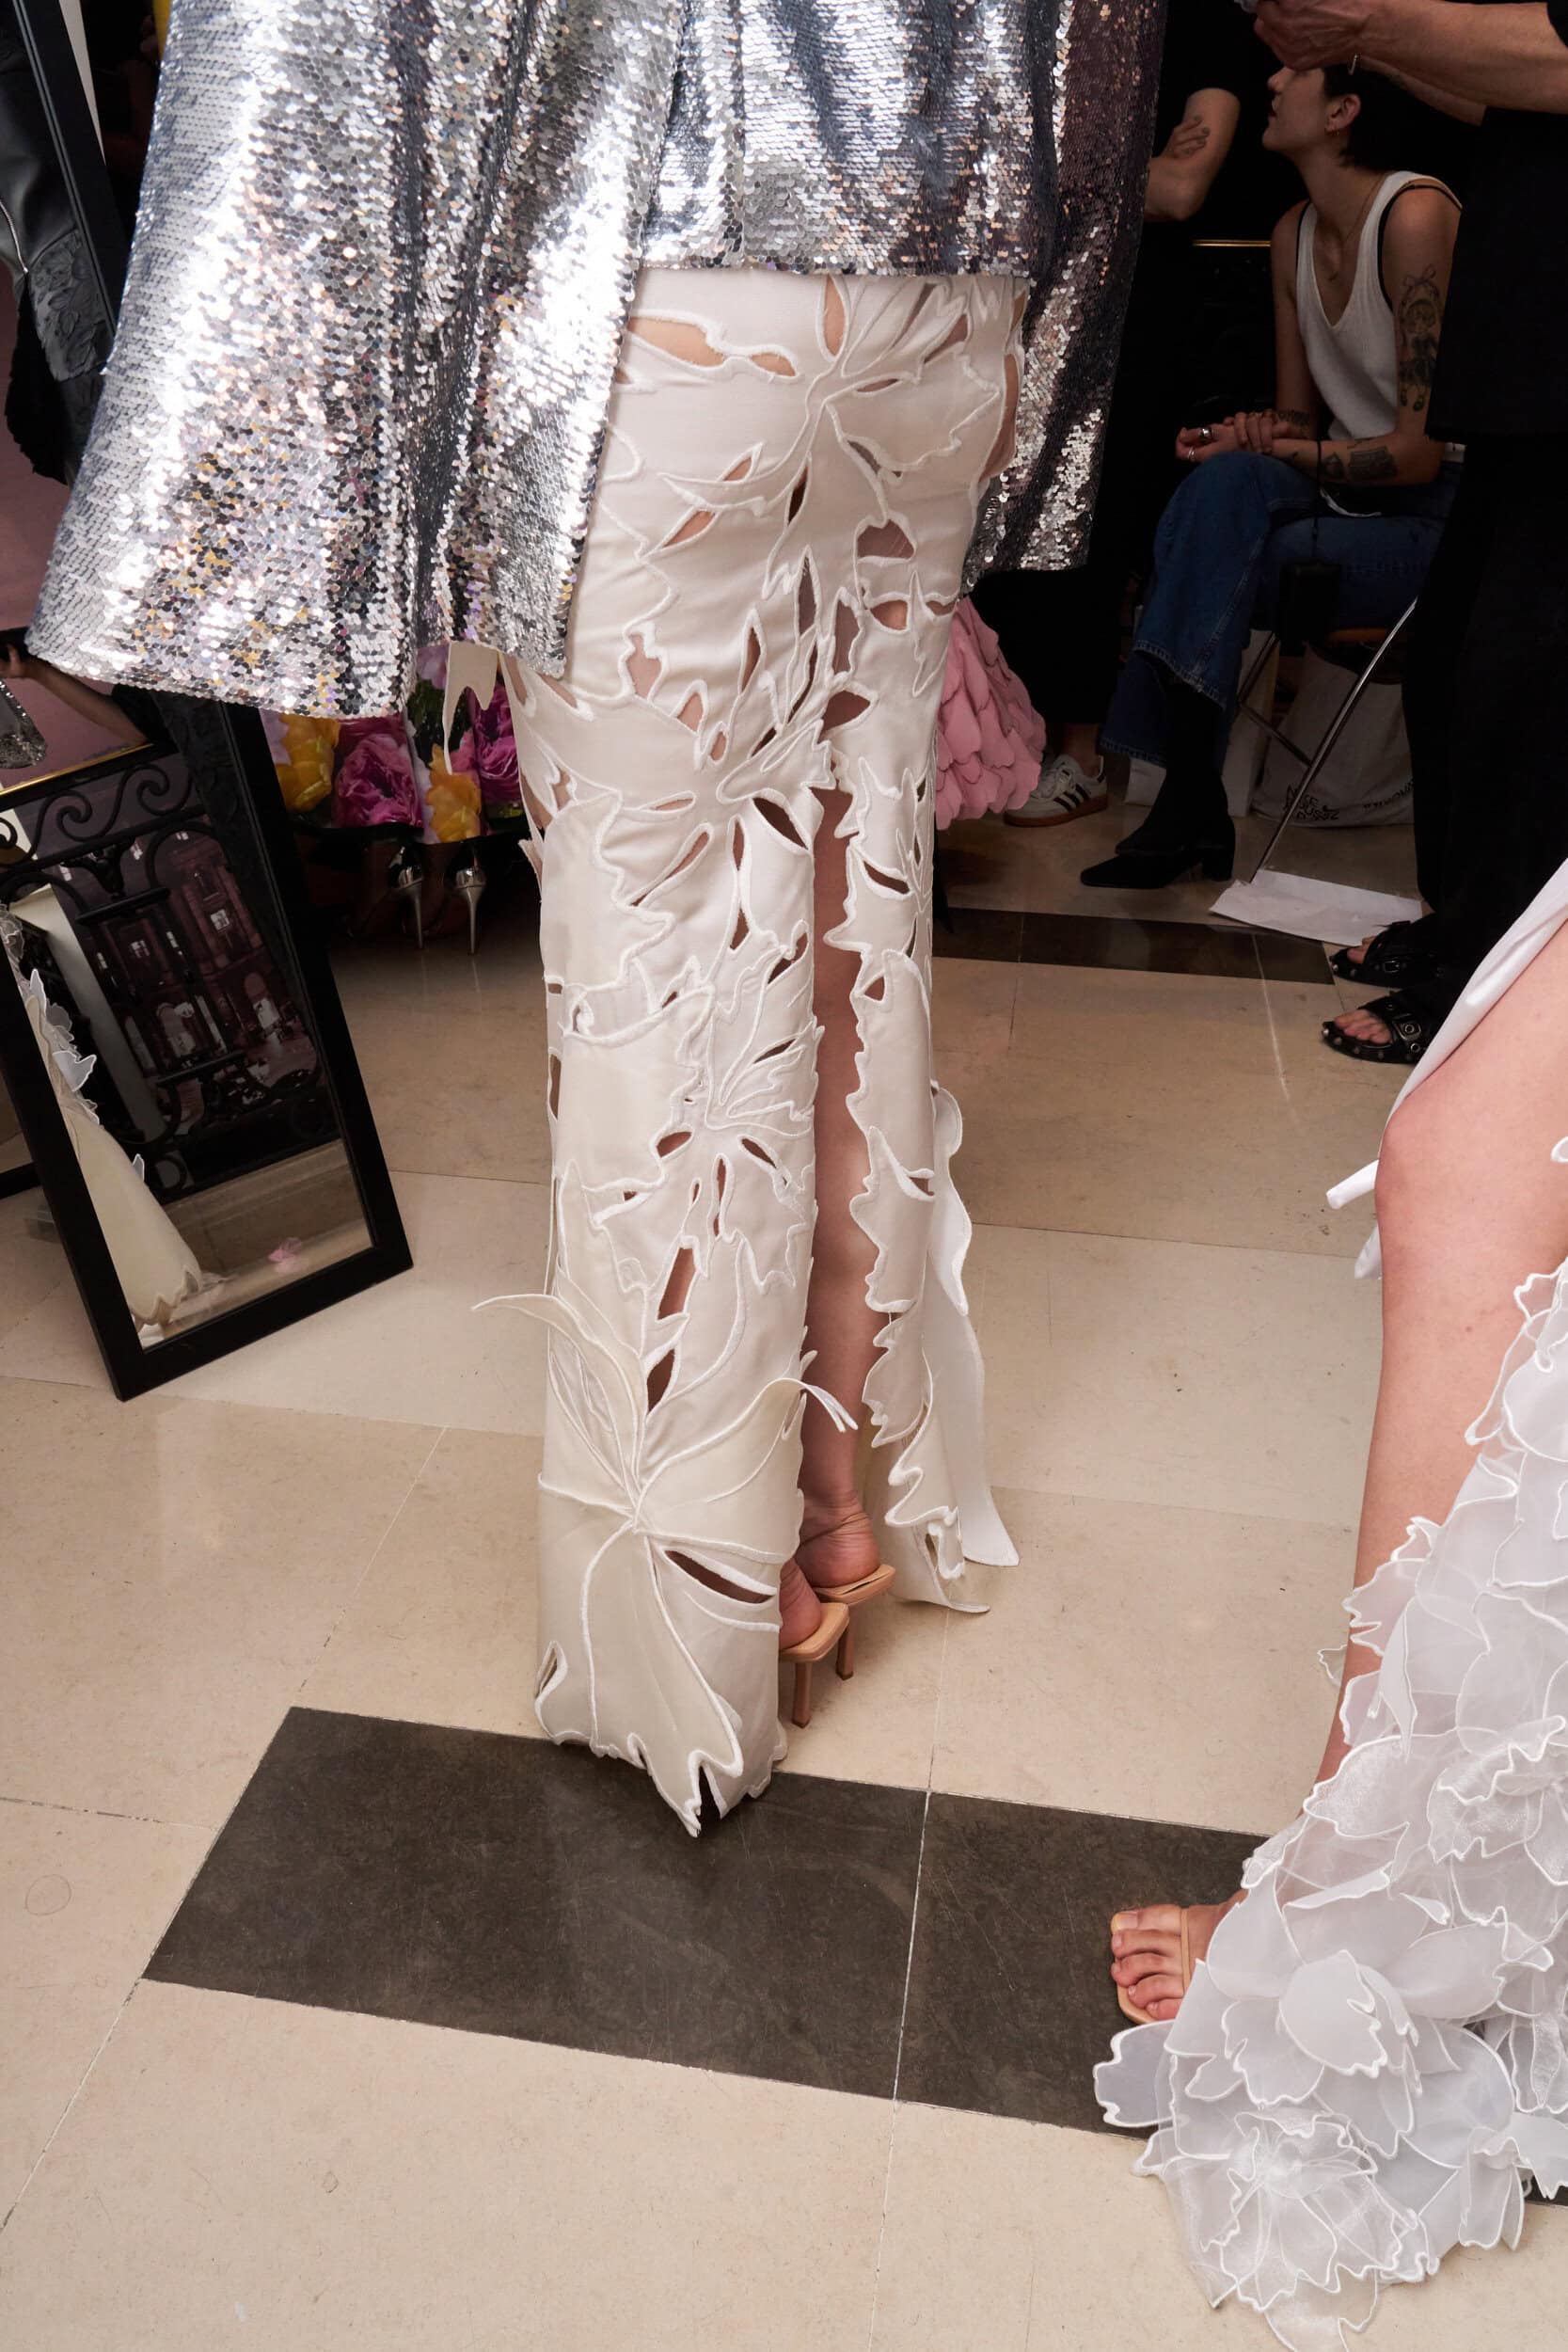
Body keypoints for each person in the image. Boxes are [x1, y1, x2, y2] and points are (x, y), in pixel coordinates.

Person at [27, 0, 1164, 1832]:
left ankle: (698, 1625)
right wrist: (1047, 261)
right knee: (856, 909)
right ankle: (837, 1495)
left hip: (668, 250)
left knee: (665, 969)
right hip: (946, 281)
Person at [1259, 3, 1568, 1065]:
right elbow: (1507, 96)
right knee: (1447, 672)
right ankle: (1460, 928)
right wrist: (1361, 39)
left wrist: (1365, 20)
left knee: (1521, 701)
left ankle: (1486, 990)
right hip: (1524, 383)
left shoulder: (1407, 212)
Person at [1084, 61, 1459, 891]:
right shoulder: (1292, 229)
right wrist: (1248, 437)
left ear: (1343, 111)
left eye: (1299, 75)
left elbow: (1417, 454)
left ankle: (1185, 800)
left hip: (1440, 519)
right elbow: (1299, 421)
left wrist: (1284, 453)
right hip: (1344, 495)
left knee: (1215, 550)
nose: (1275, 80)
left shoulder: (1413, 214)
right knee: (1216, 489)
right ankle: (1191, 795)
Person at [977, 0, 1290, 831]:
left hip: (1136, 316)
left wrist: (1022, 167)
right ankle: (993, 742)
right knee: (992, 519)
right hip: (1015, 306)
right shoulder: (1031, 23)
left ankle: (1078, 753)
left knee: (1092, 518)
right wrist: (1105, 174)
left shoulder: (1196, 24)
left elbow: (1180, 189)